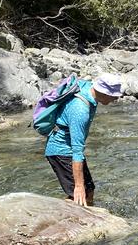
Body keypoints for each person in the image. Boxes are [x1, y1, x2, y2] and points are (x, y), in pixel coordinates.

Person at [45, 73, 123, 206]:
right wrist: (79, 185)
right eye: (114, 96)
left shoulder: (89, 89)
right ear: (104, 93)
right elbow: (77, 151)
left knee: (89, 190)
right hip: (61, 151)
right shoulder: (80, 110)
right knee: (79, 195)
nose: (115, 99)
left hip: (68, 148)